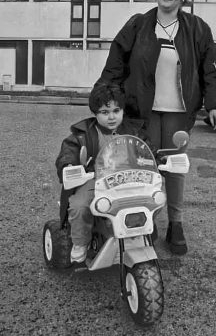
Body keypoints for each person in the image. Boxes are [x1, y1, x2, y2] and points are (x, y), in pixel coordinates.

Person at [94, 0, 216, 255]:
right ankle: (148, 220)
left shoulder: (197, 28)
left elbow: (212, 70)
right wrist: (103, 98)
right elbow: (116, 64)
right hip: (144, 111)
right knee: (144, 167)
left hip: (180, 112)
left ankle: (176, 224)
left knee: (176, 168)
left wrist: (215, 105)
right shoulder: (138, 25)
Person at [54, 84, 150, 265]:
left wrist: (159, 160)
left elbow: (147, 150)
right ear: (95, 113)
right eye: (105, 112)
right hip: (96, 179)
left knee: (151, 198)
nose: (112, 116)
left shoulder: (134, 131)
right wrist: (68, 165)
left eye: (116, 110)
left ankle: (141, 234)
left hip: (128, 180)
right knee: (80, 205)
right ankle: (81, 242)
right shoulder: (83, 134)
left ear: (123, 110)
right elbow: (69, 150)